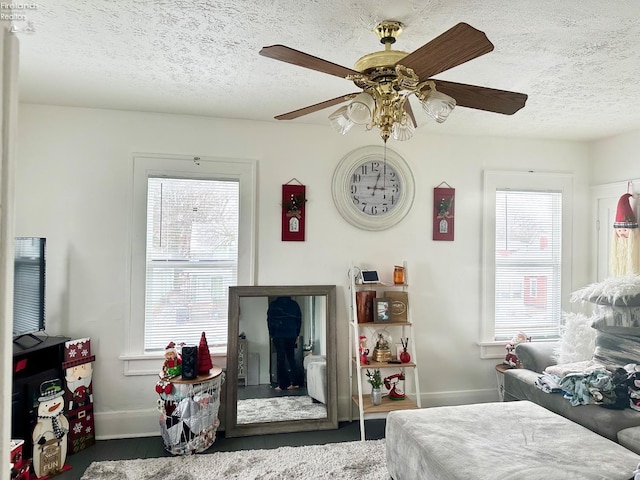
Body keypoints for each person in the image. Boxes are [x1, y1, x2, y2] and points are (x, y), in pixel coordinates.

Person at [267, 296, 302, 391]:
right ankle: (295, 382)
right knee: (291, 358)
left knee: (280, 359)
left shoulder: (274, 305)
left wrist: (272, 334)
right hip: (292, 334)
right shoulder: (294, 304)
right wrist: (297, 334)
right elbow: (299, 320)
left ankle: (282, 384)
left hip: (279, 334)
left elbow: (270, 321)